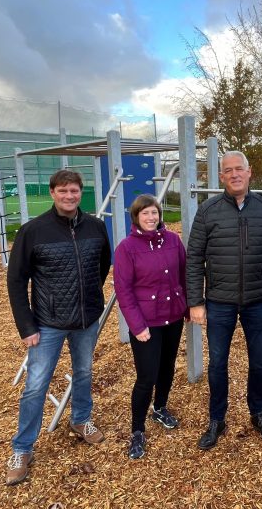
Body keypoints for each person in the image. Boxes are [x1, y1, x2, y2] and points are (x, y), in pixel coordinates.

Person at [5, 169, 111, 486]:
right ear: (52, 192)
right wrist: (27, 325)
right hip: (47, 323)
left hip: (86, 319)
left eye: (75, 191)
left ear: (81, 193)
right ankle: (22, 448)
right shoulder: (33, 232)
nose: (69, 196)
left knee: (84, 372)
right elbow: (16, 281)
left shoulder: (96, 227)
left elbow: (102, 264)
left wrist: (90, 297)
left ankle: (81, 420)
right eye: (63, 191)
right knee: (36, 384)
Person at [186, 150, 262, 450]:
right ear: (221, 176)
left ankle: (258, 413)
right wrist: (195, 301)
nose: (234, 174)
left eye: (239, 169)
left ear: (249, 172)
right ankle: (217, 418)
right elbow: (193, 258)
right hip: (219, 301)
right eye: (228, 170)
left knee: (260, 363)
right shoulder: (208, 210)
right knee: (217, 364)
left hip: (256, 300)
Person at [113, 194, 188, 459]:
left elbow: (183, 274)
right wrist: (136, 325)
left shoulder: (173, 241)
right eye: (145, 213)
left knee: (167, 367)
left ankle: (160, 407)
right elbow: (123, 290)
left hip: (173, 317)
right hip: (146, 322)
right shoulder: (127, 248)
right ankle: (137, 429)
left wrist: (187, 306)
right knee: (146, 376)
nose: (151, 217)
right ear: (136, 217)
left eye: (154, 212)